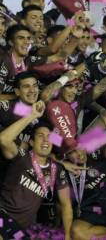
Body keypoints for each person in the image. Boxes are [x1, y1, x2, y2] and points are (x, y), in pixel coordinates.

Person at [0, 101, 72, 240]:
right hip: (2, 216)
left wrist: (68, 235)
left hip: (22, 229)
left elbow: (66, 204)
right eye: (40, 135)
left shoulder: (57, 169)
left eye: (49, 137)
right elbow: (3, 139)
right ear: (31, 142)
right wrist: (32, 115)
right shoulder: (22, 156)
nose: (46, 140)